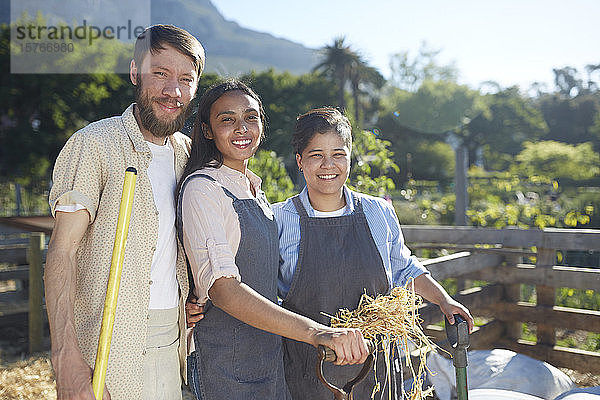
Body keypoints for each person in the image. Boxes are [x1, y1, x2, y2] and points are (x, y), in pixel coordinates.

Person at [177, 80, 369, 400]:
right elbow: (223, 290)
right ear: (207, 130)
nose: (242, 128)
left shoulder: (254, 190)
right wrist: (316, 332)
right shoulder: (204, 188)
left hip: (267, 359)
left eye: (250, 117)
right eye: (227, 119)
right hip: (225, 359)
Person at [45, 24, 204, 400]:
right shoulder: (94, 145)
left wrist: (187, 297)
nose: (173, 91)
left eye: (186, 79)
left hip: (175, 345)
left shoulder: (190, 155)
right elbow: (61, 254)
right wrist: (64, 358)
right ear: (135, 72)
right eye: (160, 74)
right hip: (109, 346)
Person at [273, 107, 474, 400]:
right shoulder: (279, 219)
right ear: (300, 161)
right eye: (316, 154)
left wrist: (444, 301)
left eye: (338, 154)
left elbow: (403, 268)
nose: (328, 164)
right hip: (307, 372)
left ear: (350, 158)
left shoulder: (377, 212)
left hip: (377, 373)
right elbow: (265, 297)